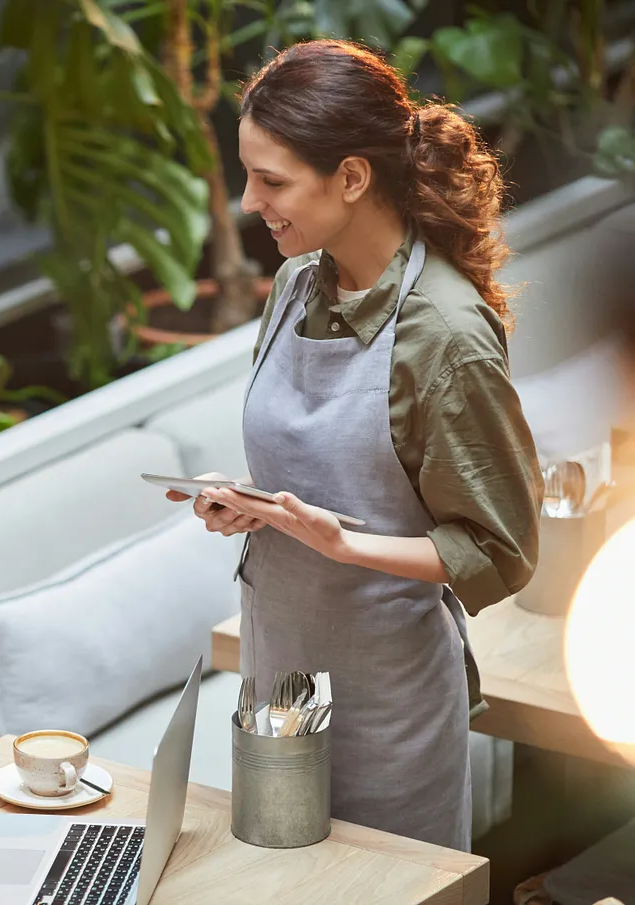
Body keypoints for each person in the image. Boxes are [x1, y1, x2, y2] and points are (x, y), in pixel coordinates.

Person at [167, 40, 542, 851]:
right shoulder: (296, 283)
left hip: (389, 702)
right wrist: (250, 501)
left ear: (351, 177)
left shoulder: (442, 332)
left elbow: (499, 547)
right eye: (247, 174)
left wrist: (347, 543)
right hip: (275, 676)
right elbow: (327, 475)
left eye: (271, 181)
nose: (246, 200)